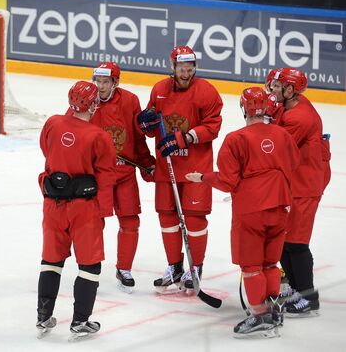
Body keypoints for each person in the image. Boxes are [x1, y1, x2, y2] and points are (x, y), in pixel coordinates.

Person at [185, 87, 300, 338]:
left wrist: (203, 177)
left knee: (251, 266)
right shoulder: (283, 134)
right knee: (270, 262)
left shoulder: (236, 139)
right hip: (281, 206)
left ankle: (260, 316)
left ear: (244, 109)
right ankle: (273, 310)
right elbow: (293, 164)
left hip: (251, 210)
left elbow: (227, 181)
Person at [136, 45, 223, 292]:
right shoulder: (160, 90)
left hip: (196, 168)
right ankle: (174, 266)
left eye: (190, 68)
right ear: (172, 67)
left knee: (194, 219)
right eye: (181, 68)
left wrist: (186, 137)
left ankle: (196, 267)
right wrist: (145, 124)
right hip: (167, 166)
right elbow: (152, 125)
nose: (186, 73)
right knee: (167, 215)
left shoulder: (207, 91)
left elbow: (213, 126)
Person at [36, 81, 116, 340]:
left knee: (51, 260)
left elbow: (46, 149)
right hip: (83, 209)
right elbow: (106, 177)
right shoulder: (99, 136)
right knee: (89, 264)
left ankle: (43, 317)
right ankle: (80, 321)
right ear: (93, 104)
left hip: (52, 205)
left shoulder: (53, 123)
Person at [269, 68, 331, 317]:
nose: (273, 90)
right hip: (296, 184)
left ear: (290, 90)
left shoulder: (300, 118)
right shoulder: (293, 105)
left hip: (305, 187)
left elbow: (276, 149)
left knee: (296, 243)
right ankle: (296, 288)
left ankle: (308, 296)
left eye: (278, 86)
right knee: (285, 241)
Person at [88, 62, 156, 292]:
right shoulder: (87, 99)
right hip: (99, 176)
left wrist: (146, 163)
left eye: (105, 82)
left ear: (115, 83)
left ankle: (124, 268)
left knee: (130, 221)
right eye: (98, 81)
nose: (100, 86)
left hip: (125, 173)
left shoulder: (130, 101)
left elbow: (138, 138)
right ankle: (90, 266)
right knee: (94, 222)